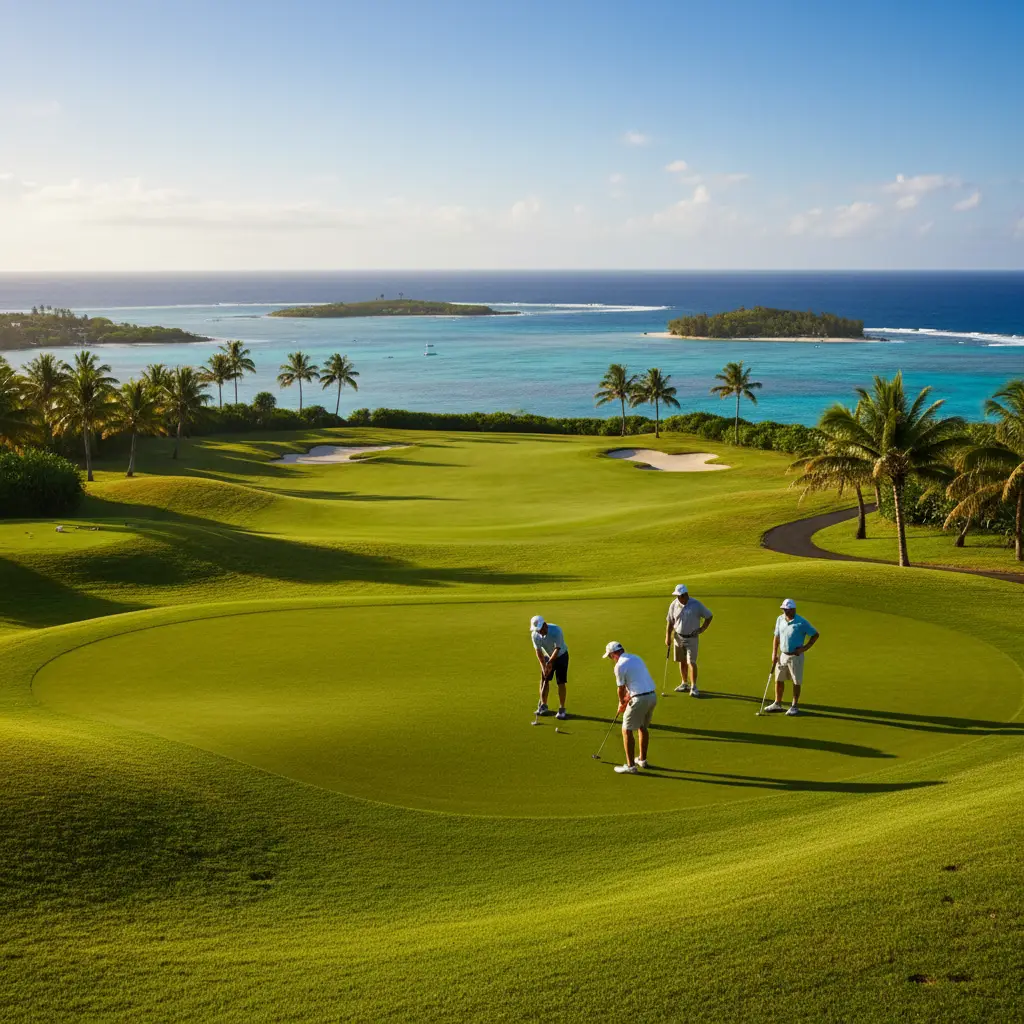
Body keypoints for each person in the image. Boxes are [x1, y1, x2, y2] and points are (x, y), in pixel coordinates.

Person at [602, 641, 658, 773]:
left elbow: (621, 689)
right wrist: (625, 700)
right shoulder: (636, 658)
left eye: (610, 656)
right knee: (642, 727)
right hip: (652, 696)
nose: (611, 659)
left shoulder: (619, 666)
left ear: (614, 654)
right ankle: (642, 760)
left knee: (626, 730)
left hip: (639, 699)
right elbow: (635, 682)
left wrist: (622, 703)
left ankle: (631, 766)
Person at [765, 599, 820, 716]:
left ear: (793, 610)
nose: (784, 611)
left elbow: (815, 634)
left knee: (796, 681)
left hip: (796, 656)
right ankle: (777, 703)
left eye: (786, 610)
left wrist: (804, 648)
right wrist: (774, 653)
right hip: (783, 655)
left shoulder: (801, 622)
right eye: (783, 609)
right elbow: (776, 636)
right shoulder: (780, 619)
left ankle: (794, 706)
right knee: (778, 680)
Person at [664, 584, 713, 696]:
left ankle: (694, 687)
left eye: (679, 596)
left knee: (691, 662)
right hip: (678, 637)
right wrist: (667, 636)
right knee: (682, 661)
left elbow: (709, 616)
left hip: (692, 638)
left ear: (685, 595)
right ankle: (684, 683)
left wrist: (702, 629)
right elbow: (670, 621)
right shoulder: (674, 604)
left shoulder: (696, 604)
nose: (677, 598)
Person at [529, 615, 569, 719]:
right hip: (546, 655)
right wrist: (543, 667)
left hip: (561, 656)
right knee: (544, 679)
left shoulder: (556, 630)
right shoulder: (535, 635)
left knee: (561, 682)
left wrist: (550, 663)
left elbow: (557, 649)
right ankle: (543, 705)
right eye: (537, 630)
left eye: (540, 630)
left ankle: (562, 709)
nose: (539, 632)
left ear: (545, 625)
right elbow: (538, 651)